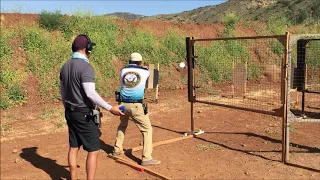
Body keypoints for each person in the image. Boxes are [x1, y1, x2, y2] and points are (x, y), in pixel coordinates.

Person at [60, 34, 124, 180]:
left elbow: (62, 92)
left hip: (70, 112)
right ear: (86, 48)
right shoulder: (86, 67)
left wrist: (67, 107)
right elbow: (90, 93)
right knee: (94, 150)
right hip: (84, 113)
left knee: (74, 146)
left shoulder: (65, 66)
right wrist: (110, 108)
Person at [112, 52, 161, 166]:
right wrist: (146, 68)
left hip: (122, 104)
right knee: (147, 130)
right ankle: (147, 158)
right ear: (139, 62)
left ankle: (117, 149)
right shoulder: (144, 72)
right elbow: (153, 79)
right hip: (135, 105)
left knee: (122, 125)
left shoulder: (123, 71)